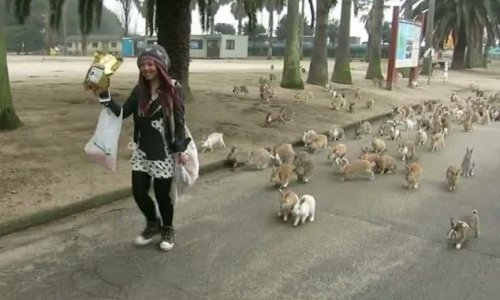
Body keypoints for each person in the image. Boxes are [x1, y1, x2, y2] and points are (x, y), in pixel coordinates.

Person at [94, 45, 190, 251]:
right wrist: (105, 96)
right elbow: (122, 112)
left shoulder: (173, 89)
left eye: (150, 63)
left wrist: (181, 149)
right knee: (139, 192)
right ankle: (152, 223)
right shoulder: (139, 91)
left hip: (164, 153)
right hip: (142, 152)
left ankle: (167, 228)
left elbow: (180, 121)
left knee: (163, 196)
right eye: (142, 64)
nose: (146, 68)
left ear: (160, 65)